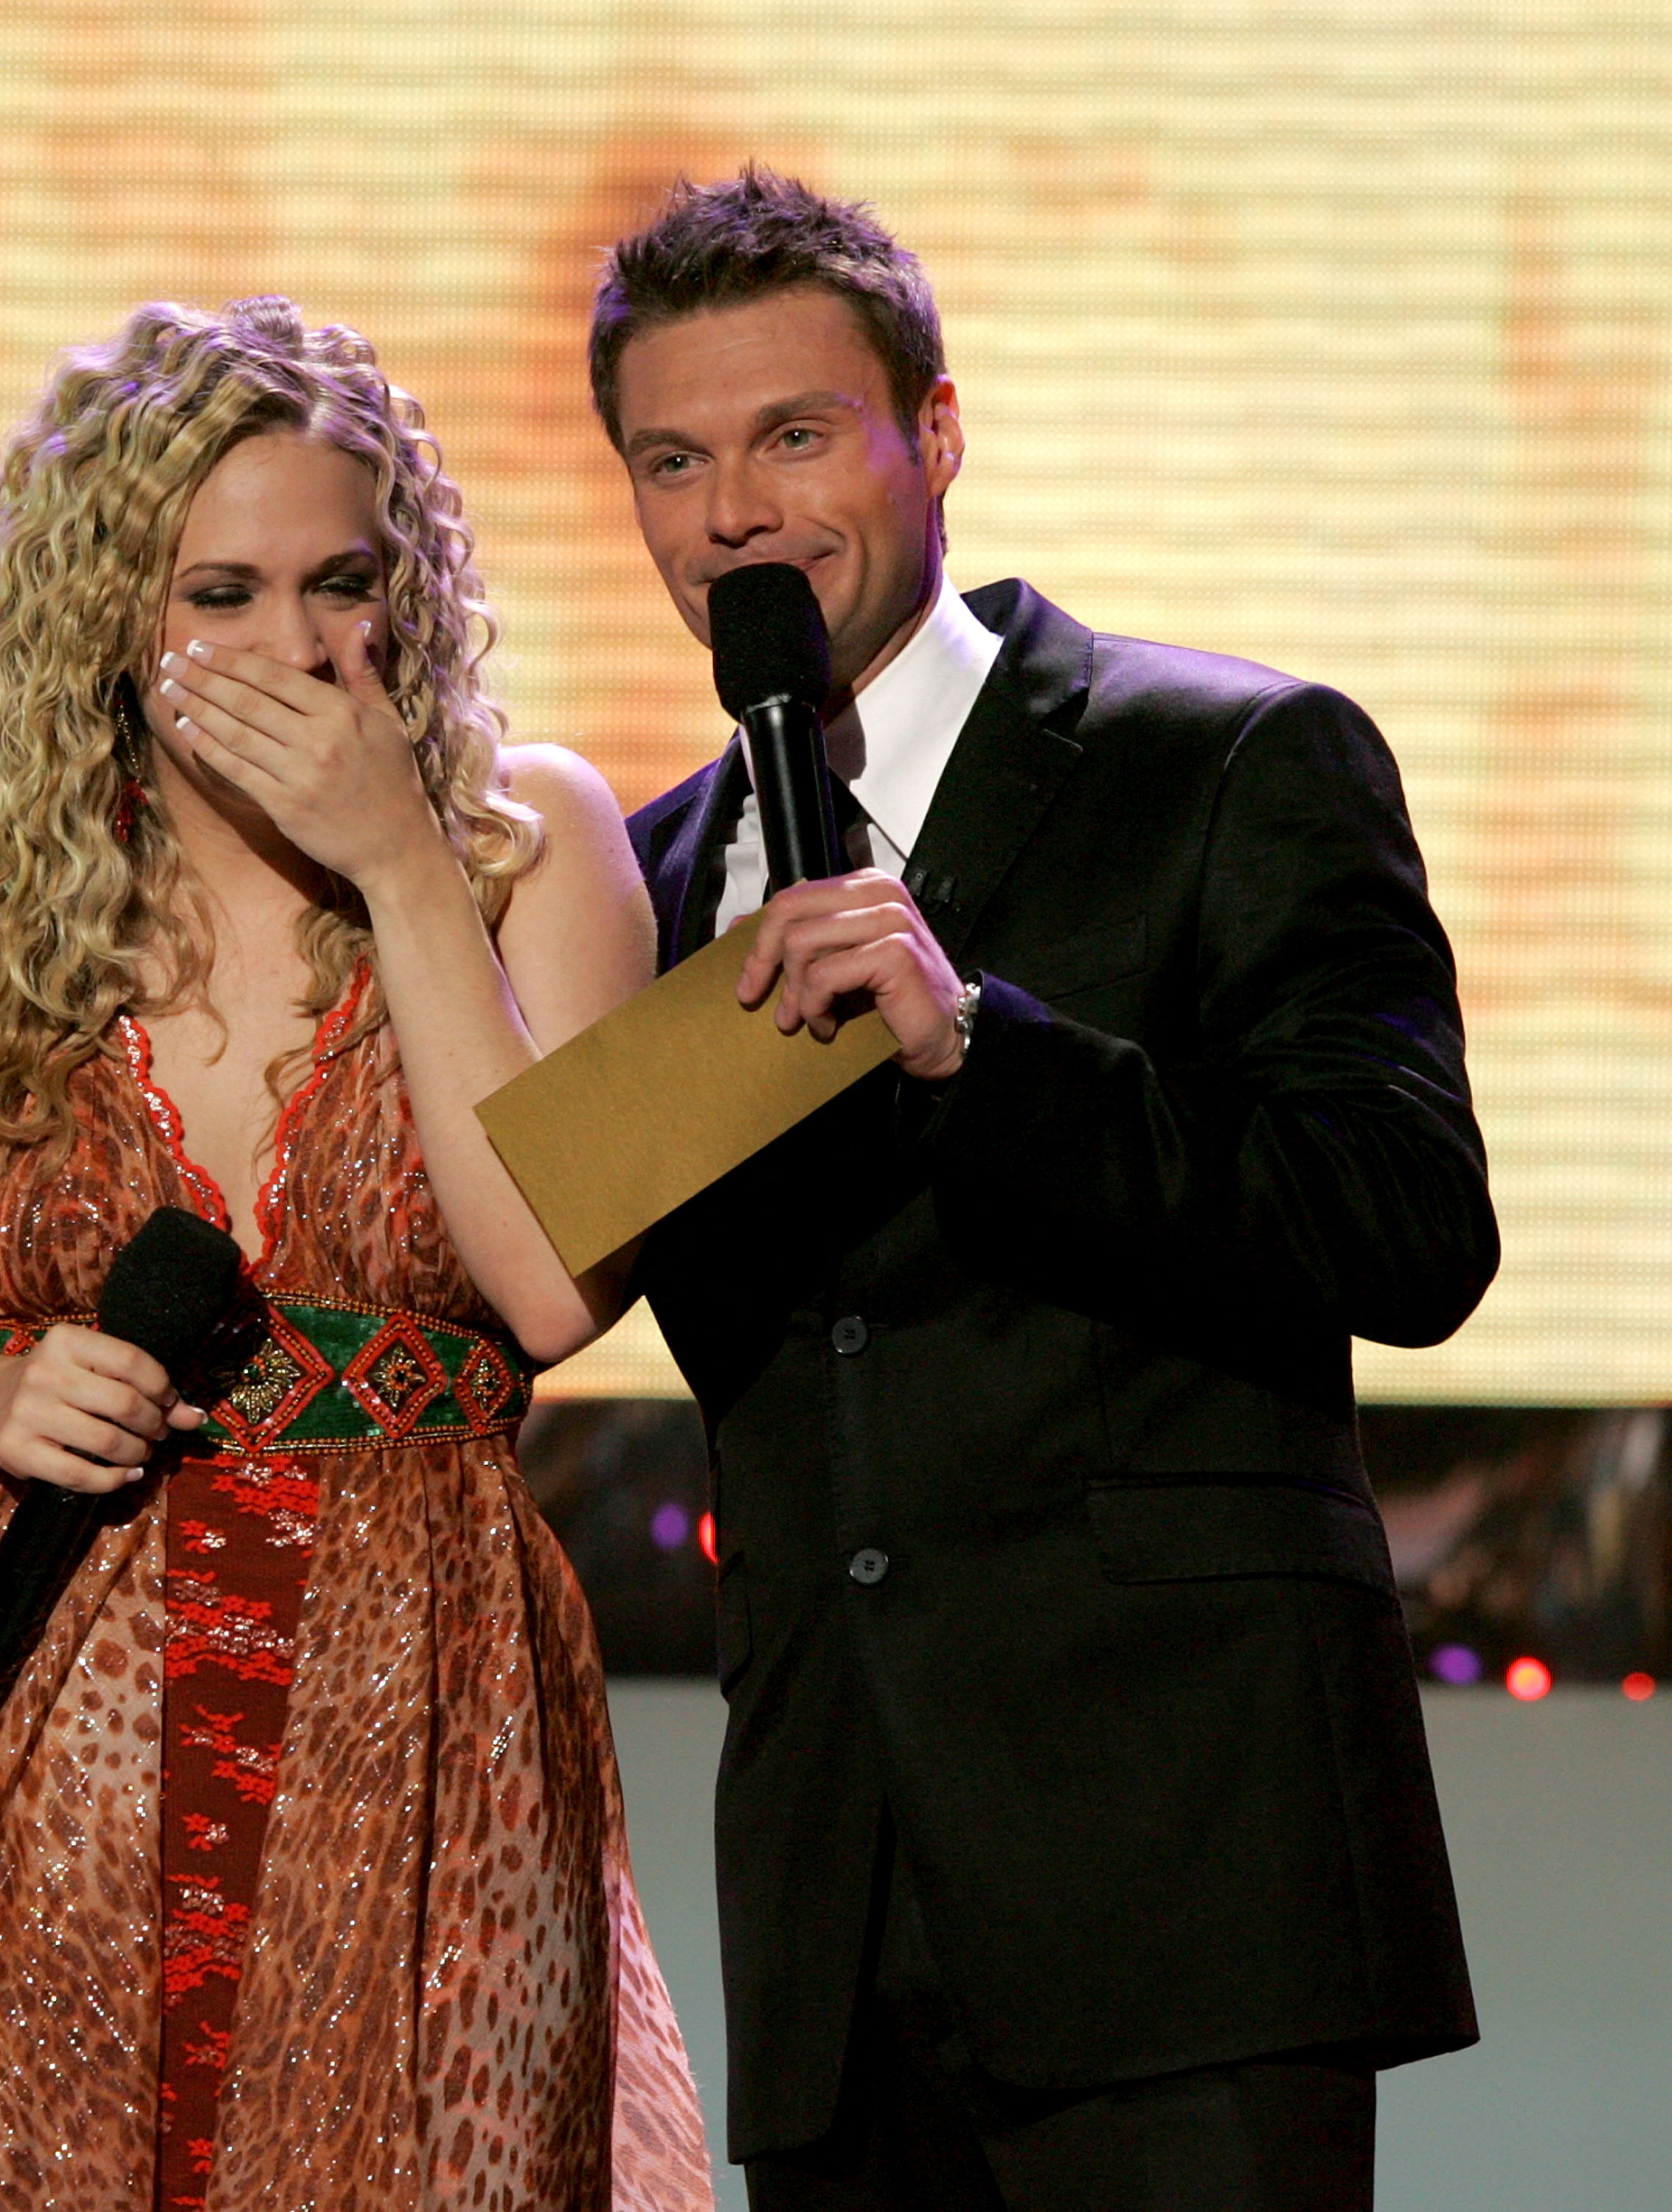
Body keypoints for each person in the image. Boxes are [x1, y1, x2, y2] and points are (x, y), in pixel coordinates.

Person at [0, 298, 712, 2212]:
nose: (298, 648)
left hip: (425, 1711)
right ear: (113, 619)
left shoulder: (541, 845)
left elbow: (551, 1289)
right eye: (222, 595)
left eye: (342, 584)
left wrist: (404, 873)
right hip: (65, 1716)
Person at [594, 170, 1499, 2211]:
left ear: (934, 432)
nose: (731, 512)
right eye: (672, 459)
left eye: (793, 436)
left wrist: (981, 1051)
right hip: (836, 1921)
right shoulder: (642, 888)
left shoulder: (1227, 760)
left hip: (1184, 1887)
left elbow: (1408, 1227)